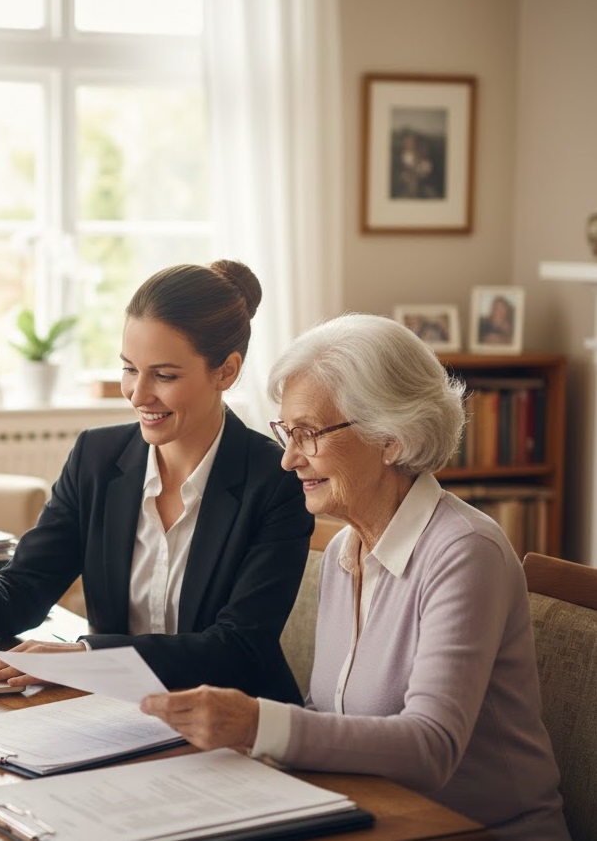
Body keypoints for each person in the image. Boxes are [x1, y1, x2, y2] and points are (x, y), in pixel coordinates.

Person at [141, 313, 568, 841]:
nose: (288, 459)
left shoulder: (465, 551)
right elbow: (330, 715)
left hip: (482, 829)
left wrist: (255, 723)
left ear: (391, 437)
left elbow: (432, 747)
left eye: (307, 434)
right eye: (286, 433)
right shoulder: (345, 550)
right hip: (371, 814)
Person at [0, 260, 313, 702]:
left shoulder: (275, 481)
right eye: (129, 369)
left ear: (226, 371)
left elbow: (238, 647)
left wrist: (86, 656)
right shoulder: (97, 458)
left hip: (232, 720)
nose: (138, 395)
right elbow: (26, 590)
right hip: (113, 711)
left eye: (164, 375)